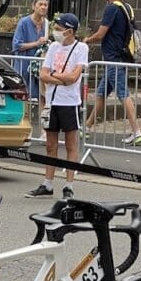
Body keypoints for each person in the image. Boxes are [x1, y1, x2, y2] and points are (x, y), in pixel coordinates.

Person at [26, 13, 89, 198]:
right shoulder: (53, 47)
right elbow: (43, 74)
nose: (56, 32)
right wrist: (61, 78)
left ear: (70, 31)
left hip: (69, 102)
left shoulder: (81, 48)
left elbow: (74, 77)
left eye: (60, 29)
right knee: (50, 144)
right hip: (52, 101)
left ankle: (69, 185)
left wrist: (56, 76)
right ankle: (47, 183)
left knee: (71, 145)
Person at [83, 0, 141, 146]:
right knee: (101, 94)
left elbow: (101, 33)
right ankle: (87, 127)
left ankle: (137, 132)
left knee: (123, 94)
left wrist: (87, 40)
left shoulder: (112, 8)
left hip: (113, 59)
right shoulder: (127, 8)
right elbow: (136, 34)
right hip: (121, 58)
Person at [11, 0, 51, 102]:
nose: (43, 7)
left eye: (45, 5)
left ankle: (37, 118)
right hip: (23, 65)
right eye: (40, 4)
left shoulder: (46, 24)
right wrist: (36, 43)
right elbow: (17, 45)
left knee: (39, 96)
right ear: (33, 6)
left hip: (38, 67)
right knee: (22, 94)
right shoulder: (24, 23)